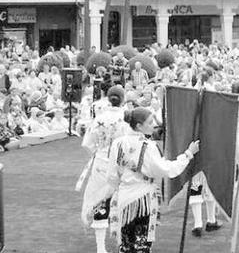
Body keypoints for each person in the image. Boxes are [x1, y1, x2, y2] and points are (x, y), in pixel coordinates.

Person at [106, 107, 199, 253]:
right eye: (149, 123)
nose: (153, 125)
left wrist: (123, 185)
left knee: (126, 245)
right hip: (143, 199)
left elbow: (111, 176)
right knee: (141, 245)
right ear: (138, 126)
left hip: (124, 197)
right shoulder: (148, 146)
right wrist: (188, 154)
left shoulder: (118, 143)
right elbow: (166, 169)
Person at [80, 86, 129, 253]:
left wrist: (98, 152)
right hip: (122, 164)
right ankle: (124, 242)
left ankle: (101, 248)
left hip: (101, 163)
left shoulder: (99, 118)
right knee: (124, 201)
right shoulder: (126, 118)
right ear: (123, 99)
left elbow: (87, 143)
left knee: (101, 201)